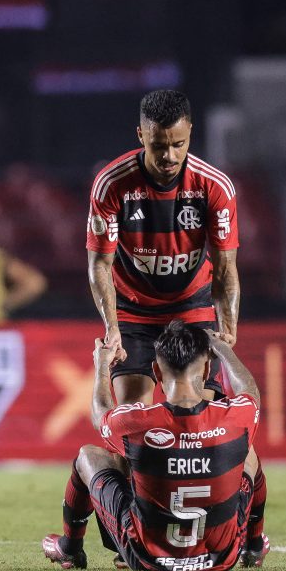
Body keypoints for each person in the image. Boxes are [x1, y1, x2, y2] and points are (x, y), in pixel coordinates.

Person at [42, 322, 271, 571]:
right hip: (221, 558)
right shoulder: (236, 417)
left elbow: (101, 416)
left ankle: (70, 548)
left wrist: (101, 366)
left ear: (156, 372)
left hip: (145, 556)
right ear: (206, 371)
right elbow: (250, 392)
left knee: (88, 455)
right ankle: (254, 546)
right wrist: (221, 348)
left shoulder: (137, 422)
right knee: (248, 453)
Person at [87, 90, 239, 405]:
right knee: (134, 416)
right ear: (141, 135)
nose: (168, 156)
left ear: (190, 133)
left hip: (191, 309)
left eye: (178, 144)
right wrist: (111, 327)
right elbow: (100, 263)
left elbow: (225, 267)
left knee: (197, 417)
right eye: (158, 145)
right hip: (134, 311)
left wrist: (228, 328)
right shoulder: (112, 184)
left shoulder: (214, 187)